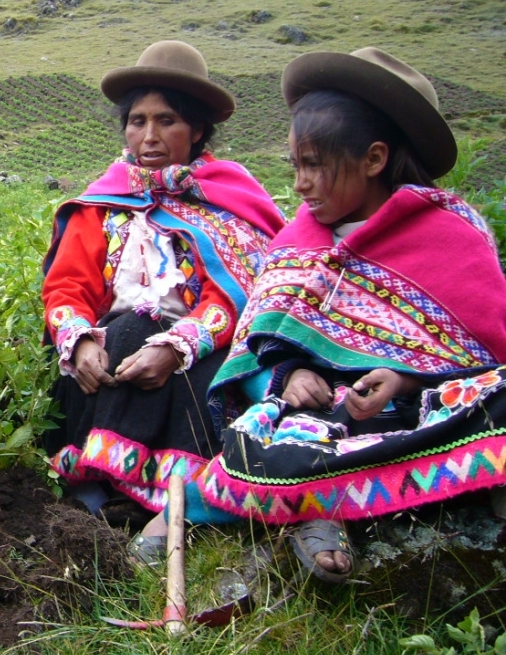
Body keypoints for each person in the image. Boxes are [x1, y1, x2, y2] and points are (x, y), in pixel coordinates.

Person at [200, 48, 506, 583]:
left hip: (418, 412)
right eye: (297, 165)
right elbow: (255, 343)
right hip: (322, 416)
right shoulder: (300, 239)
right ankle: (326, 506)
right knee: (283, 424)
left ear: (374, 158)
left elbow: (485, 352)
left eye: (315, 165)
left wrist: (404, 377)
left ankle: (318, 502)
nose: (300, 184)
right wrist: (291, 374)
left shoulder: (451, 234)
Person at [41, 41, 285, 563]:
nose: (147, 136)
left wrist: (178, 346)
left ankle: (164, 499)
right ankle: (102, 486)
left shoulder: (230, 196)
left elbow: (238, 292)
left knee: (206, 370)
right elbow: (67, 288)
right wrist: (79, 339)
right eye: (136, 121)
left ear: (196, 129)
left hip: (200, 348)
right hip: (114, 347)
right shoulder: (105, 201)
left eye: (166, 120)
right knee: (120, 335)